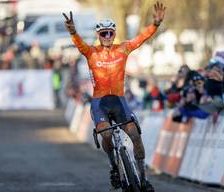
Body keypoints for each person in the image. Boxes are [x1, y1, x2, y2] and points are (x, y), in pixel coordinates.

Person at [63, 2, 165, 191]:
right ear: (99, 36)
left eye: (110, 33)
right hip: (100, 103)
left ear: (114, 34)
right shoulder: (91, 52)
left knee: (135, 136)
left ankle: (143, 179)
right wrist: (73, 32)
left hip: (119, 101)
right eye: (103, 34)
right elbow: (79, 44)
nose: (107, 36)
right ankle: (113, 167)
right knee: (107, 135)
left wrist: (156, 24)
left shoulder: (123, 49)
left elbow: (141, 38)